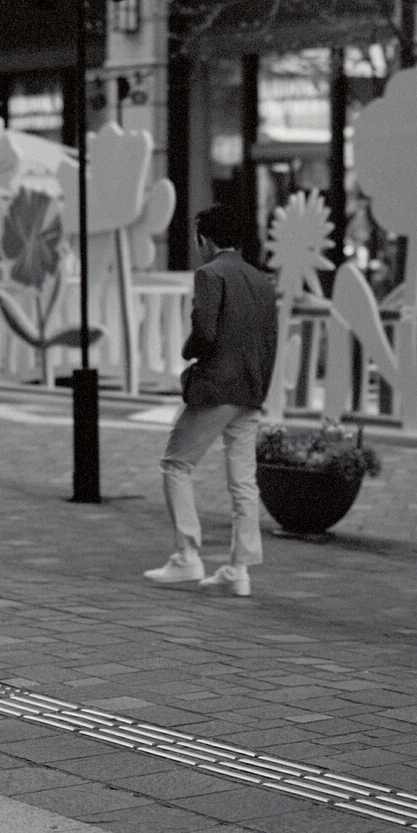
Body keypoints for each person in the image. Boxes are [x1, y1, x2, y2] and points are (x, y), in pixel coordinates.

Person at [143, 205, 279, 597]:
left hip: (218, 387)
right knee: (243, 482)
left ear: (205, 239)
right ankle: (239, 569)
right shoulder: (261, 280)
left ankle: (187, 556)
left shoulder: (209, 274)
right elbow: (268, 340)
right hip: (251, 390)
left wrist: (188, 351)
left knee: (175, 464)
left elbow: (204, 330)